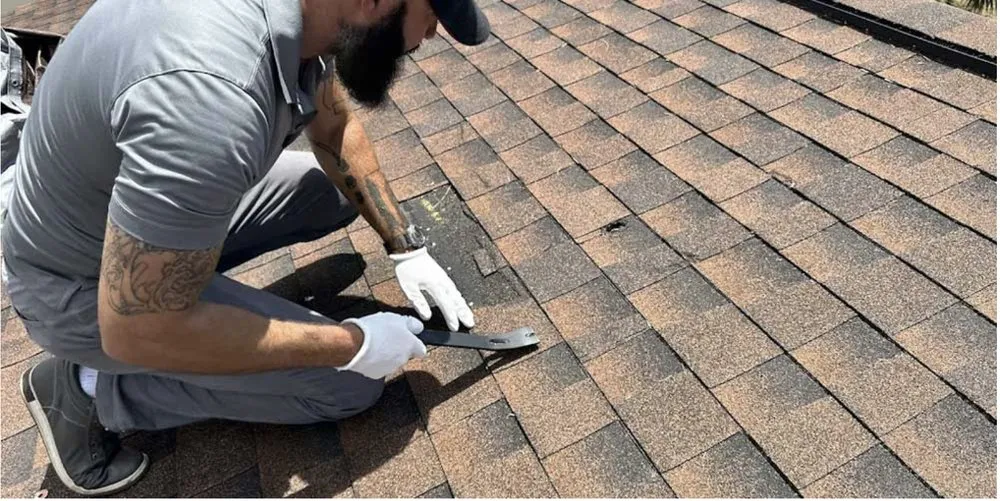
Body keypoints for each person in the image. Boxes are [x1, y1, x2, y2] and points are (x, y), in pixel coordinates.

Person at [1, 0, 491, 495]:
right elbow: (139, 327)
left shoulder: (307, 16)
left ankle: (185, 264)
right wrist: (354, 345)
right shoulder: (211, 99)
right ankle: (84, 388)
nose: (434, 32)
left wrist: (404, 244)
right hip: (80, 288)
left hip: (117, 212)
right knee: (348, 385)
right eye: (433, 11)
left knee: (328, 195)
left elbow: (336, 127)